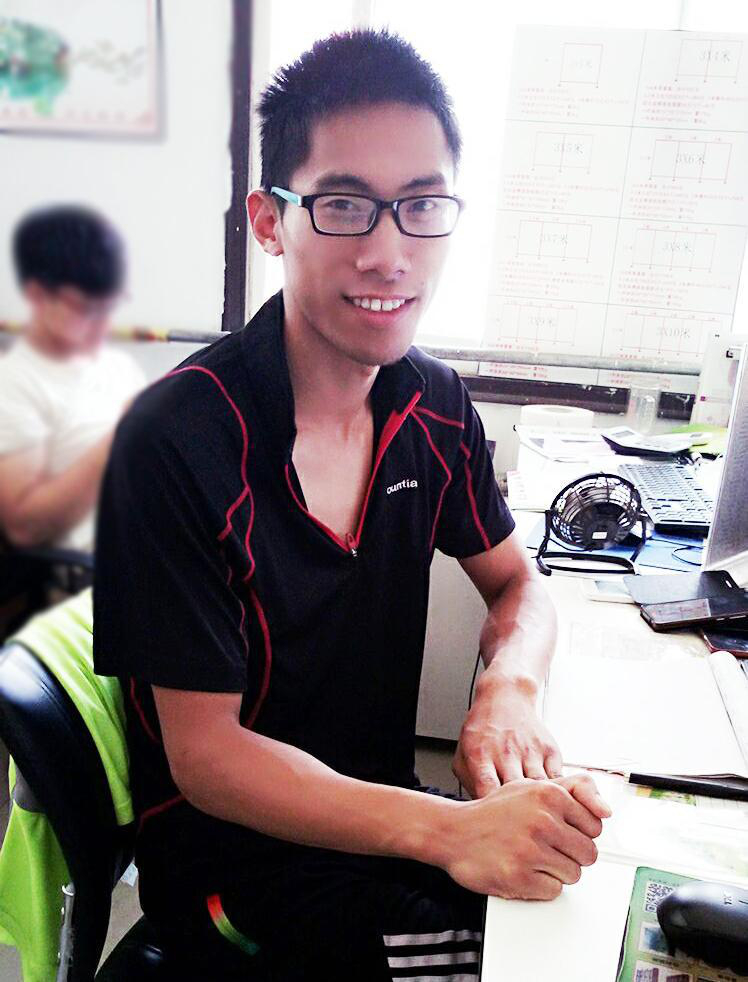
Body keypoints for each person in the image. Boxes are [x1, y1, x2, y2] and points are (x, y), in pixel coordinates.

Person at [93, 29, 611, 981]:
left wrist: (507, 691)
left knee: (595, 894)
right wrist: (450, 832)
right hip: (237, 876)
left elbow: (520, 585)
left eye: (421, 206)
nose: (387, 253)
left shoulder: (433, 404)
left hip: (378, 826)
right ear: (269, 221)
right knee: (556, 959)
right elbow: (209, 761)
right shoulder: (175, 441)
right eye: (343, 206)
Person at [0, 205, 144, 554]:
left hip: (161, 531)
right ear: (37, 295)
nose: (103, 324)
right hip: (100, 564)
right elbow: (24, 526)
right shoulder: (14, 384)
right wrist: (125, 432)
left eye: (109, 307)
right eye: (86, 309)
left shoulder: (118, 366)